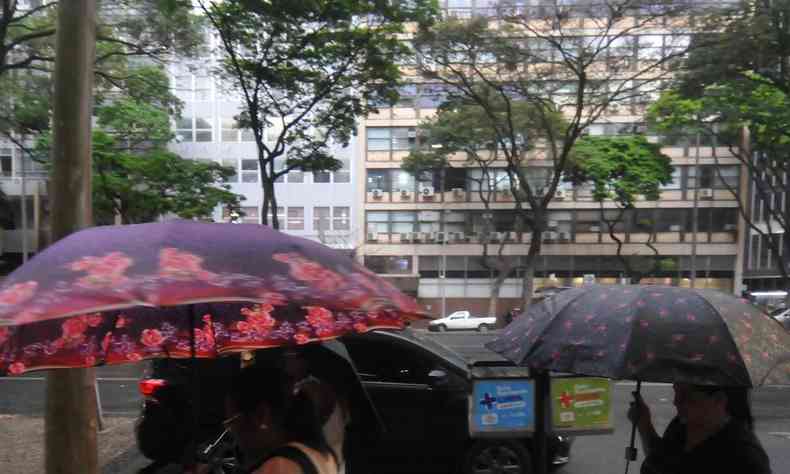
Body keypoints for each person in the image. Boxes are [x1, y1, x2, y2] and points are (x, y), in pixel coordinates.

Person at [627, 383, 771, 474]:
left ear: (718, 400)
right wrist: (644, 424)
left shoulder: (745, 458)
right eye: (675, 391)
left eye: (686, 396)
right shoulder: (680, 426)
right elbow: (660, 460)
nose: (676, 401)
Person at [224, 365, 339, 474]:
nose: (232, 431)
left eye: (233, 420)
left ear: (261, 415)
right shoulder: (323, 455)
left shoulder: (279, 467)